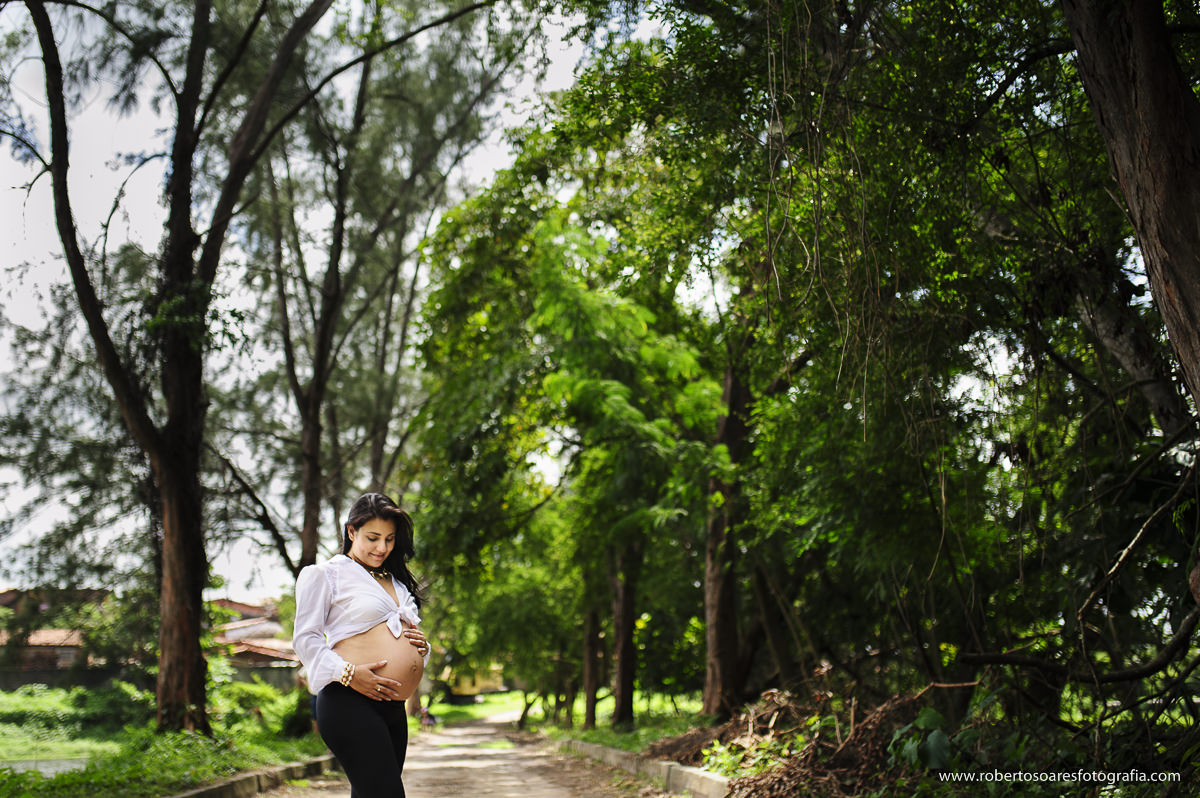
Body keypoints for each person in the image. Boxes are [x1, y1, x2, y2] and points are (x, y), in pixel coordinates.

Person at [293, 492, 430, 798]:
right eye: (373, 538)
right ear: (351, 531)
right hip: (348, 701)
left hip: (393, 708)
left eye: (390, 539)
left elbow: (400, 639)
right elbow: (306, 639)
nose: (382, 548)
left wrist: (422, 648)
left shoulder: (395, 581)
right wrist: (348, 673)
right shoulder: (327, 575)